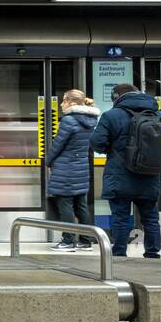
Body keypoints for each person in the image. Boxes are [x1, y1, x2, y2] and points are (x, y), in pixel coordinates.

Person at [89, 83, 161, 258]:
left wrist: (113, 150)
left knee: (120, 217)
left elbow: (97, 143)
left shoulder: (111, 115)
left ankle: (119, 253)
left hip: (120, 175)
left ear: (117, 97)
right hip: (149, 174)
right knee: (150, 217)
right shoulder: (158, 115)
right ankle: (153, 253)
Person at [44, 89, 100, 251]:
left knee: (65, 204)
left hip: (65, 168)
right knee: (81, 204)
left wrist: (48, 161)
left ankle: (68, 240)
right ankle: (85, 240)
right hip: (81, 167)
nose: (61, 104)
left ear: (72, 103)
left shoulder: (68, 120)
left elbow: (57, 145)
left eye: (64, 100)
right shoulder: (90, 120)